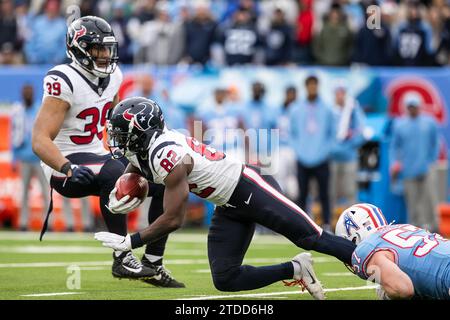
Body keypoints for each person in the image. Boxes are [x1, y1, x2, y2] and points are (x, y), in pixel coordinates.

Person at [94, 96, 358, 300]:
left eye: (123, 134)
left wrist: (131, 241)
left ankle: (378, 262)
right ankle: (296, 269)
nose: (118, 141)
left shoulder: (167, 155)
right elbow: (136, 166)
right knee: (225, 278)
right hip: (228, 204)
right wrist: (123, 187)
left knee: (311, 237)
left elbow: (174, 219)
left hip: (250, 188)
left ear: (143, 132)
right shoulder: (141, 147)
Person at [31, 16, 158, 282]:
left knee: (161, 180)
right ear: (79, 48)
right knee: (115, 173)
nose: (104, 55)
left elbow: (116, 124)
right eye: (97, 49)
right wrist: (66, 167)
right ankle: (122, 257)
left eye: (108, 49)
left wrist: (135, 155)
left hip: (96, 155)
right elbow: (40, 139)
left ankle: (154, 260)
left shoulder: (114, 77)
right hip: (64, 163)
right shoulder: (63, 79)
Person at [335, 203, 450, 300]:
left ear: (356, 237)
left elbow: (403, 289)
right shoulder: (405, 227)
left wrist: (390, 293)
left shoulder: (368, 249)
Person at [290, 75, 335, 230]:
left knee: (324, 194)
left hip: (321, 157)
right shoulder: (296, 109)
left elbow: (332, 133)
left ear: (318, 86)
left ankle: (327, 223)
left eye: (314, 85)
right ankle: (301, 224)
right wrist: (299, 150)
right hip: (302, 157)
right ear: (306, 87)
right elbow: (292, 133)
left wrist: (325, 151)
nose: (312, 88)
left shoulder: (327, 109)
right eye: (309, 85)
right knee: (302, 194)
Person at [389, 93, 439, 233]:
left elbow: (435, 143)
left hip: (426, 169)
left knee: (430, 200)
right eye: (410, 106)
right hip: (408, 170)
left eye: (415, 106)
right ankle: (415, 231)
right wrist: (395, 163)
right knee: (412, 203)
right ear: (406, 107)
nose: (413, 109)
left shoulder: (429, 123)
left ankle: (434, 228)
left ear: (419, 106)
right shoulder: (400, 125)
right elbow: (394, 147)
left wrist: (431, 161)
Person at [12, 84, 49, 230]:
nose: (27, 94)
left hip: (40, 158)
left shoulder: (40, 109)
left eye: (29, 92)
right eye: (25, 92)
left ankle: (48, 223)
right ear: (22, 94)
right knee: (24, 193)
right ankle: (23, 223)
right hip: (24, 158)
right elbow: (13, 134)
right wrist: (15, 157)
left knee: (45, 192)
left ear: (33, 94)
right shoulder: (18, 111)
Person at [330, 83, 366, 214]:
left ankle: (353, 221)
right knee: (331, 192)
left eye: (342, 92)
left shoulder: (353, 110)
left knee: (350, 191)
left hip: (349, 157)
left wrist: (350, 145)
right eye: (337, 93)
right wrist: (331, 148)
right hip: (332, 158)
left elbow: (362, 132)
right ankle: (330, 222)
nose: (340, 96)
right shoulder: (330, 111)